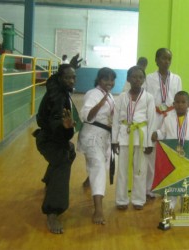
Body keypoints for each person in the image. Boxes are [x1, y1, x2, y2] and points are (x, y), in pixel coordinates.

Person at [32, 64, 77, 234]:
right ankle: (52, 212)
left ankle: (48, 181)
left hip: (51, 136)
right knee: (62, 161)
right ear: (60, 78)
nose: (71, 80)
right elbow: (55, 122)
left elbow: (53, 79)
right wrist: (64, 127)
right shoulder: (57, 97)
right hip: (48, 139)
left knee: (70, 151)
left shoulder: (56, 85)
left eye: (73, 77)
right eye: (68, 77)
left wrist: (70, 66)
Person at [151, 91, 189, 209]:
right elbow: (163, 133)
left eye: (183, 102)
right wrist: (157, 134)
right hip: (172, 154)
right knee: (173, 179)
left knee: (187, 180)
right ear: (173, 104)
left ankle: (186, 203)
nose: (180, 104)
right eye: (177, 102)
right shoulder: (168, 119)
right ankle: (170, 203)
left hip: (188, 155)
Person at [112, 65, 156, 210]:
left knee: (140, 169)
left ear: (144, 80)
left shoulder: (149, 98)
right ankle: (122, 200)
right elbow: (116, 119)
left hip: (142, 136)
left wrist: (149, 142)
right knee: (123, 170)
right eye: (134, 77)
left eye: (140, 77)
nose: (137, 79)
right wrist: (114, 140)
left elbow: (152, 120)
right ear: (128, 79)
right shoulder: (121, 97)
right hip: (125, 135)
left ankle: (138, 199)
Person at [77, 67, 116, 225]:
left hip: (105, 135)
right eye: (105, 79)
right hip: (93, 134)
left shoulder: (110, 96)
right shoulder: (93, 94)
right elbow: (86, 116)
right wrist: (100, 104)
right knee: (98, 166)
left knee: (101, 162)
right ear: (99, 80)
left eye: (112, 79)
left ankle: (89, 180)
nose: (109, 82)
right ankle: (98, 209)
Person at [144, 48, 182, 200]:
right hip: (154, 115)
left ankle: (167, 185)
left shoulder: (177, 79)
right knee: (152, 153)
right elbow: (145, 99)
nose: (166, 61)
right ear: (156, 60)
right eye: (163, 58)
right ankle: (150, 188)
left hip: (171, 116)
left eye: (169, 59)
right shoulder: (149, 78)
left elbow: (179, 99)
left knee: (169, 152)